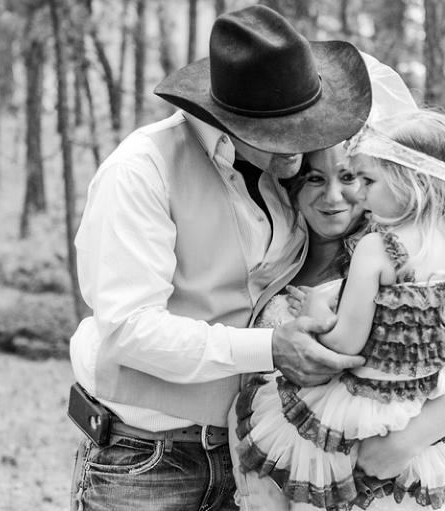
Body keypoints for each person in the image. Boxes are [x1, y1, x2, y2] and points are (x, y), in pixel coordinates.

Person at [68, 6, 373, 511]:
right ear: (228, 121)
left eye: (308, 125)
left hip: (260, 459)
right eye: (282, 133)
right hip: (147, 461)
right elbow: (130, 330)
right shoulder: (141, 171)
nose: (302, 145)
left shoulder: (294, 178)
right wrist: (271, 348)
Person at [232, 109, 445, 511]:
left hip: (378, 452)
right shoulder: (270, 262)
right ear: (290, 186)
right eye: (315, 178)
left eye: (353, 178)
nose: (338, 195)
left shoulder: (387, 250)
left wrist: (404, 443)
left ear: (398, 179)